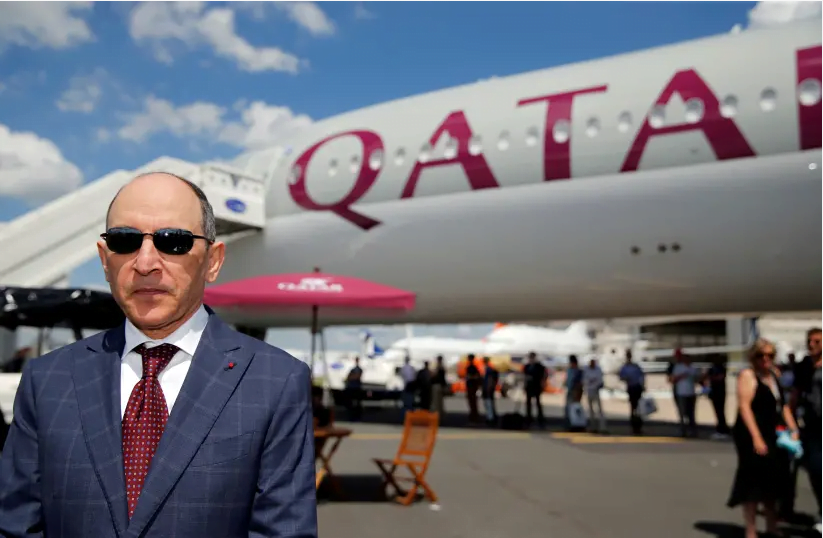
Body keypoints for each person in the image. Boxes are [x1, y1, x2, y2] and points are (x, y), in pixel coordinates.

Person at [0, 173, 317, 538]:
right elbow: (16, 526)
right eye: (125, 241)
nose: (146, 262)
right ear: (105, 259)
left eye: (174, 242)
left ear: (213, 260)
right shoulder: (47, 380)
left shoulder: (276, 381)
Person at [728, 338, 800, 538]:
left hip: (773, 432)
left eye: (770, 355)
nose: (765, 360)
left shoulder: (774, 375)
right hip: (752, 432)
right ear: (753, 357)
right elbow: (744, 407)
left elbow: (783, 405)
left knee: (774, 480)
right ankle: (750, 531)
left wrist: (793, 428)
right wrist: (756, 438)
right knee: (752, 481)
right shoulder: (748, 376)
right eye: (761, 355)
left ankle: (771, 525)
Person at [791, 328, 822, 532]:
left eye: (817, 341)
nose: (812, 345)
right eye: (809, 341)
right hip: (812, 425)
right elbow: (795, 395)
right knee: (815, 469)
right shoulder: (805, 366)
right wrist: (792, 424)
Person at [671, 349, 699, 437]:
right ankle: (683, 430)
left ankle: (692, 430)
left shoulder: (693, 368)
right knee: (682, 413)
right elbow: (673, 379)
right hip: (681, 393)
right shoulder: (679, 367)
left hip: (691, 393)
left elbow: (697, 379)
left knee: (691, 413)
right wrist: (682, 376)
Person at [618, 350, 645, 435]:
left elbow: (642, 376)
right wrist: (626, 378)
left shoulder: (635, 366)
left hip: (637, 387)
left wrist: (643, 385)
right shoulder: (625, 367)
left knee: (638, 408)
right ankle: (634, 426)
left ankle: (638, 426)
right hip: (631, 388)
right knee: (633, 407)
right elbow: (621, 377)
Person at [523, 352, 547, 427]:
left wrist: (542, 383)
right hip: (529, 387)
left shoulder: (539, 366)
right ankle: (529, 418)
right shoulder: (527, 366)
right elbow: (525, 376)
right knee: (528, 403)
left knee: (538, 403)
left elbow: (543, 375)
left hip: (536, 386)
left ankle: (540, 419)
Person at [583, 358, 607, 433]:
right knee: (591, 410)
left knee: (599, 410)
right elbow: (584, 380)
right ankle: (592, 427)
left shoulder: (598, 370)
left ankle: (602, 427)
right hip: (589, 391)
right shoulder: (586, 370)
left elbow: (600, 380)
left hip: (596, 391)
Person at [481, 356, 499, 425]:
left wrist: (488, 387)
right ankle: (491, 417)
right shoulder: (487, 368)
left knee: (489, 403)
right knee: (489, 403)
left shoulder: (488, 369)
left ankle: (490, 418)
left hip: (488, 388)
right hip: (488, 388)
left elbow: (490, 379)